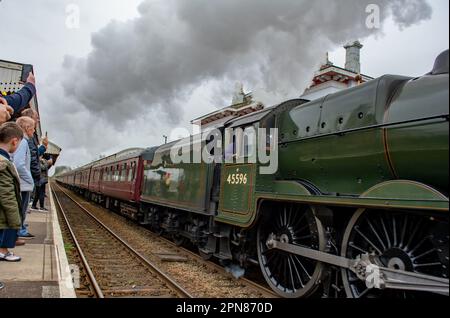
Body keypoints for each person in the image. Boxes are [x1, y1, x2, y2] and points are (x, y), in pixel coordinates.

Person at [0, 122, 23, 262]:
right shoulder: (5, 163)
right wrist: (15, 220)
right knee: (6, 226)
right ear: (14, 141)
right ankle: (3, 251)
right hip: (4, 211)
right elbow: (7, 195)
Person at [12, 117, 36, 239]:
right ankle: (19, 230)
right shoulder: (23, 141)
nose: (34, 131)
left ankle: (19, 228)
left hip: (20, 182)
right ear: (27, 128)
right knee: (21, 207)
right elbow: (19, 164)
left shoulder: (18, 140)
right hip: (22, 183)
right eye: (33, 128)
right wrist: (30, 180)